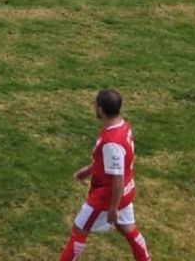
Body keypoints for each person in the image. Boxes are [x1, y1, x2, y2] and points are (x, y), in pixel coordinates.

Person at [56, 90, 151, 261]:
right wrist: (90, 169)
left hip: (106, 197)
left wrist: (112, 209)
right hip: (127, 190)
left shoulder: (112, 141)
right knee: (128, 228)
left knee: (79, 230)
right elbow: (115, 164)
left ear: (100, 109)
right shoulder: (123, 126)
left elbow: (117, 179)